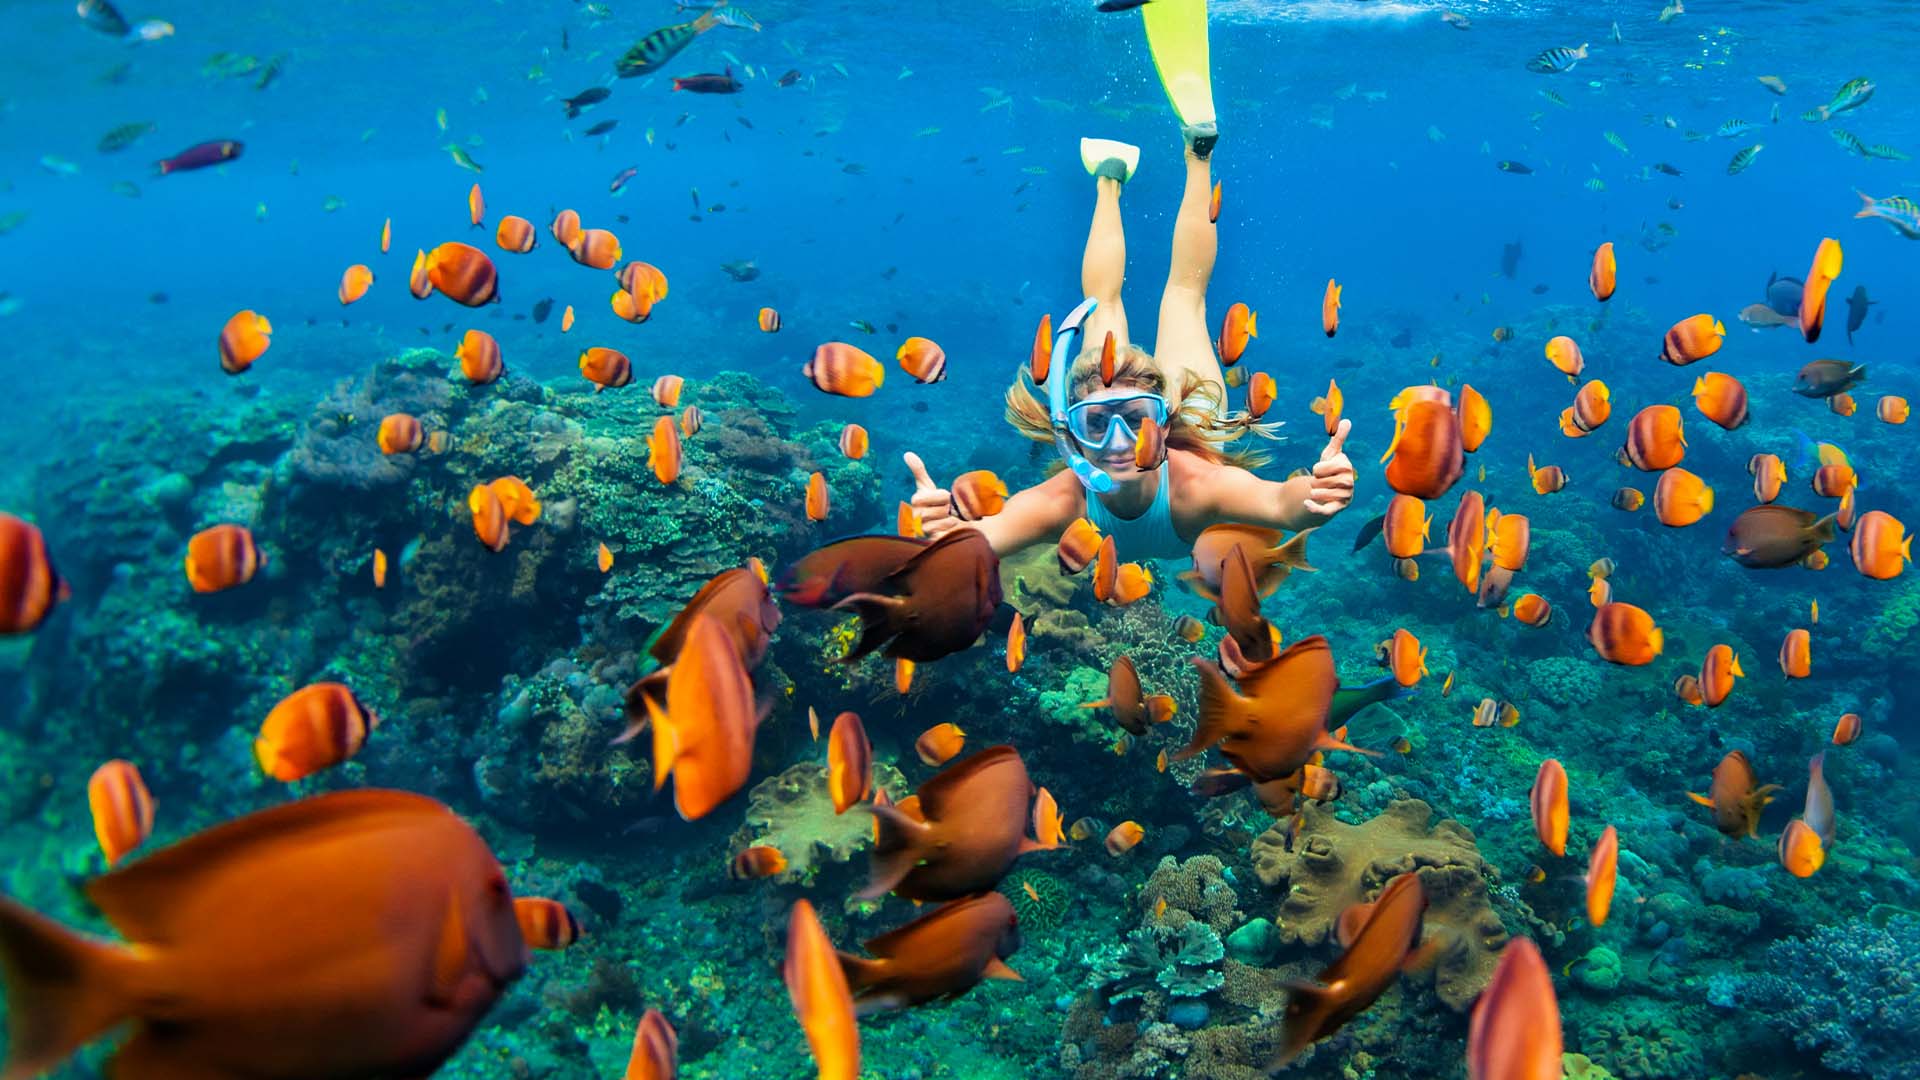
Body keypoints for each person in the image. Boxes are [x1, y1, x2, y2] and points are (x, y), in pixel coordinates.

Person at [902, 0, 1354, 560]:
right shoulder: (1065, 498)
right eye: (1098, 423)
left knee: (1110, 301)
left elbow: (1284, 505)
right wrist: (948, 533)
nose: (1119, 443)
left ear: (1163, 422)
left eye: (1135, 418)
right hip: (1198, 411)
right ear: (1075, 434)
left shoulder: (1195, 486)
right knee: (1183, 299)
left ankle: (1117, 177)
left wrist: (1314, 496)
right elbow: (981, 540)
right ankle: (1190, 153)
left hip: (1183, 431)